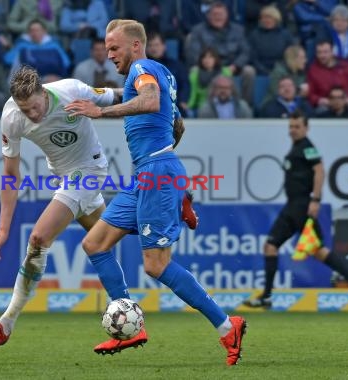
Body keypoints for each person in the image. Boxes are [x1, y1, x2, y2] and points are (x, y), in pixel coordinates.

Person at [65, 19, 246, 366]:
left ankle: (227, 326)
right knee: (95, 243)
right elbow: (175, 122)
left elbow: (148, 101)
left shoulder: (144, 68)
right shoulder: (161, 73)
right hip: (147, 175)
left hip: (157, 174)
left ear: (135, 45)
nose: (109, 54)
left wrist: (100, 112)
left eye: (114, 47)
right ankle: (133, 326)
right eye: (106, 47)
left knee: (155, 264)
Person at [0, 65, 126, 351]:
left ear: (44, 92)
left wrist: (152, 94)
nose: (33, 115)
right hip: (64, 177)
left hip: (90, 170)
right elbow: (11, 175)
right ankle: (174, 207)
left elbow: (114, 96)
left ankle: (6, 323)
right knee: (110, 236)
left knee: (39, 238)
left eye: (36, 107)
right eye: (25, 110)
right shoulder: (12, 117)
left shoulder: (71, 91)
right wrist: (3, 229)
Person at [243, 110, 348, 310]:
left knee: (301, 248)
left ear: (306, 128)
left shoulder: (308, 148)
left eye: (297, 126)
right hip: (293, 206)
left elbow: (319, 170)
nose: (292, 130)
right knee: (279, 247)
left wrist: (315, 199)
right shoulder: (297, 147)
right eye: (290, 126)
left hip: (301, 206)